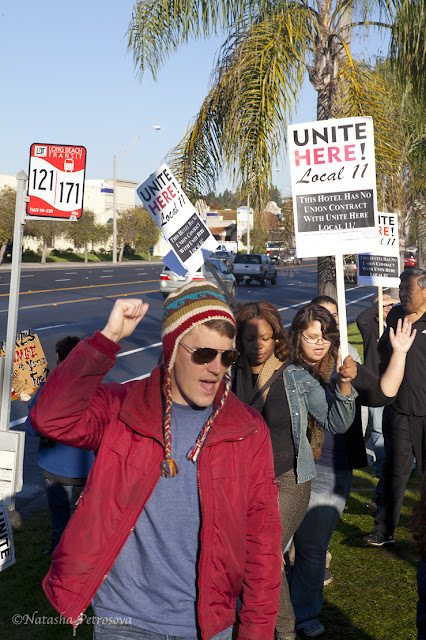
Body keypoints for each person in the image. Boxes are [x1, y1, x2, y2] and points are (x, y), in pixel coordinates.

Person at [30, 282, 282, 640]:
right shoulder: (123, 407)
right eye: (204, 354)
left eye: (227, 357)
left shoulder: (247, 429)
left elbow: (263, 540)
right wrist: (107, 339)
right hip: (123, 620)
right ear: (173, 347)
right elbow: (52, 417)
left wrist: (256, 631)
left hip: (208, 626)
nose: (216, 368)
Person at [289, 302, 415, 637]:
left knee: (313, 549)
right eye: (311, 336)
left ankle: (303, 615)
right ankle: (269, 610)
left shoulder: (346, 367)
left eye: (326, 336)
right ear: (296, 336)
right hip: (285, 469)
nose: (320, 343)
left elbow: (386, 391)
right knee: (272, 547)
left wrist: (399, 352)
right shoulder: (283, 371)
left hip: (330, 469)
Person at [233, 301, 358, 640]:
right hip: (241, 482)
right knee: (244, 556)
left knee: (266, 552)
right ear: (239, 340)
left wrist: (345, 386)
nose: (258, 345)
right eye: (249, 338)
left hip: (289, 479)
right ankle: (250, 620)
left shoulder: (296, 377)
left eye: (266, 338)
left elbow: (337, 421)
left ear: (277, 340)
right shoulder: (226, 375)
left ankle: (283, 628)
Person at [364, 268, 426, 547]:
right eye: (400, 289)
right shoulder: (395, 316)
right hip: (398, 410)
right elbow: (382, 351)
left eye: (408, 290)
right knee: (393, 472)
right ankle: (383, 529)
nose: (402, 295)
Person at [25, 336, 95, 553]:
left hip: (56, 470)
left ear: (58, 357)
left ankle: (57, 564)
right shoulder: (97, 389)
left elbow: (32, 429)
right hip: (87, 469)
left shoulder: (47, 390)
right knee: (84, 522)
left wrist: (32, 406)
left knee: (60, 521)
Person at [357, 292, 399, 508]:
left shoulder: (396, 324)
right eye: (386, 305)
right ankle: (380, 465)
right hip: (375, 384)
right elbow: (361, 318)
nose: (390, 308)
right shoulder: (370, 325)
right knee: (379, 429)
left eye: (393, 304)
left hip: (396, 384)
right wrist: (379, 303)